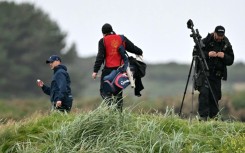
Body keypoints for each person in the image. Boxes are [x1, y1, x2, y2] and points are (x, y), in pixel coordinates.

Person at [92, 23, 143, 111]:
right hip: (121, 70)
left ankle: (112, 109)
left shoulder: (103, 41)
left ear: (103, 33)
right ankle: (118, 113)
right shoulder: (121, 38)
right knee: (118, 93)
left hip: (108, 70)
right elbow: (133, 48)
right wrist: (140, 51)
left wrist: (95, 71)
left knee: (104, 91)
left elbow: (100, 57)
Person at [195, 25, 234, 120]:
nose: (220, 37)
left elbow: (231, 60)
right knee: (204, 94)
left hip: (217, 75)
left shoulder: (226, 44)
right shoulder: (206, 41)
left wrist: (224, 56)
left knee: (215, 96)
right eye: (218, 35)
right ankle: (203, 118)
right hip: (205, 73)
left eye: (222, 35)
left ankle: (214, 118)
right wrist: (208, 54)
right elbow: (196, 52)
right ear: (214, 33)